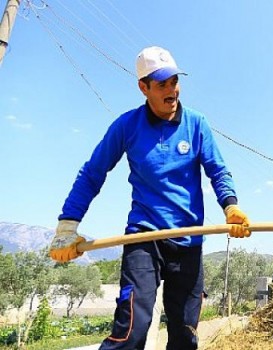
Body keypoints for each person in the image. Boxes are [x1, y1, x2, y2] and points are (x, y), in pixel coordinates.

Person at [48, 46, 251, 350]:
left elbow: (218, 171)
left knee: (185, 338)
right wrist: (67, 225)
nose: (172, 91)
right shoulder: (127, 126)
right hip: (144, 238)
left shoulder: (197, 124)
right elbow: (93, 173)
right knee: (132, 329)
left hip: (189, 239)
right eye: (162, 85)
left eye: (174, 82)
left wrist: (230, 205)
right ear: (143, 87)